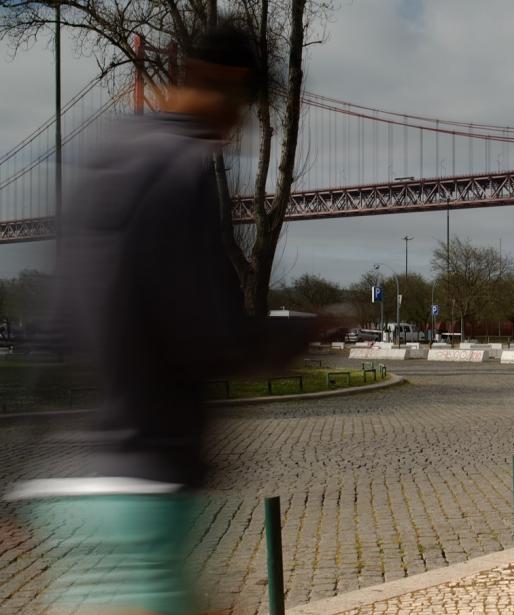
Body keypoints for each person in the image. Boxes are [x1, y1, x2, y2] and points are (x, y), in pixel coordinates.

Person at [7, 22, 313, 615]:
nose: (241, 124)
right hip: (144, 492)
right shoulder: (182, 170)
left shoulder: (102, 159)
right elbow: (210, 340)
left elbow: (57, 335)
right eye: (246, 105)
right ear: (223, 82)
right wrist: (301, 335)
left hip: (65, 491)